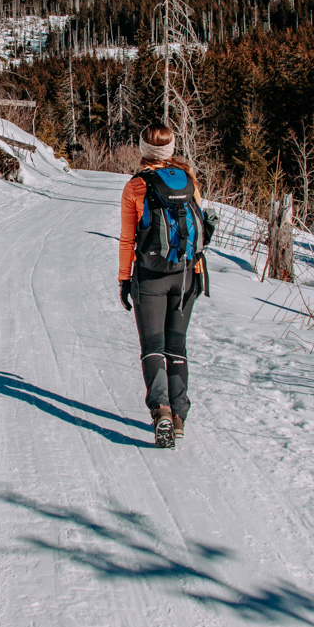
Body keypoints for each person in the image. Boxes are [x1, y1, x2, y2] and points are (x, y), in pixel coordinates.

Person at [117, 123, 207, 448]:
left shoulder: (136, 186)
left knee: (153, 346)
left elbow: (128, 238)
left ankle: (162, 411)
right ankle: (180, 414)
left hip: (150, 276)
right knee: (177, 346)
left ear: (143, 150)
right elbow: (197, 229)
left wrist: (124, 280)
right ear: (170, 151)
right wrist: (196, 273)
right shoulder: (188, 181)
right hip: (185, 275)